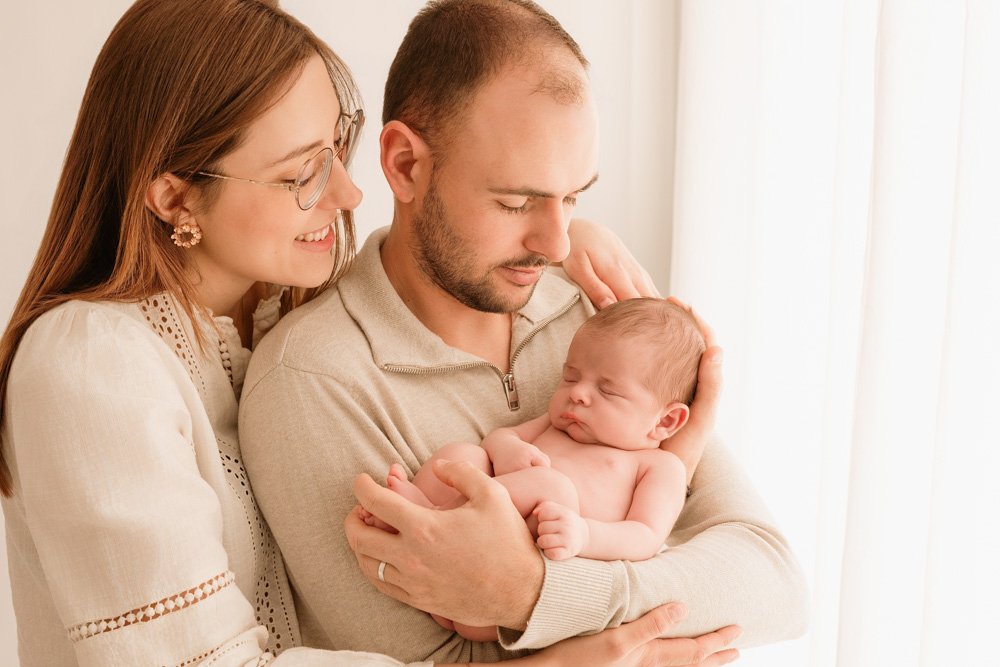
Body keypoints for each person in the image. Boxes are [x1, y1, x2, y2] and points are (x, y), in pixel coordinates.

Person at [0, 1, 744, 666]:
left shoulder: (265, 319)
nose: (352, 192)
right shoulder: (94, 365)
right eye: (301, 173)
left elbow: (769, 582)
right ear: (173, 197)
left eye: (337, 148)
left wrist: (555, 230)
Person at [239, 0, 810, 664]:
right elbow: (444, 660)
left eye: (573, 198)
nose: (557, 243)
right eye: (516, 202)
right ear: (405, 165)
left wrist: (529, 590)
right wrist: (638, 644)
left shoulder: (598, 312)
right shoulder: (312, 381)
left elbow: (774, 588)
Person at [367, 297, 705, 642]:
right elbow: (500, 437)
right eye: (570, 377)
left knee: (552, 486)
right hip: (468, 553)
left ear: (665, 421)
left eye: (607, 390)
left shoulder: (661, 466)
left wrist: (584, 534)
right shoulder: (559, 423)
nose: (578, 394)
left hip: (513, 583)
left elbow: (646, 536)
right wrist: (508, 448)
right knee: (464, 455)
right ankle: (423, 512)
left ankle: (433, 521)